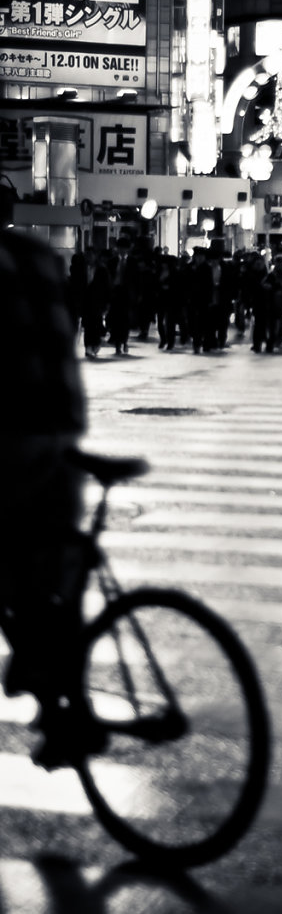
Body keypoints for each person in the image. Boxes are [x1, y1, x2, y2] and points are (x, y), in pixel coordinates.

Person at [0, 226, 101, 768]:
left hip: (13, 440)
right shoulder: (38, 256)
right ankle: (69, 706)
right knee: (57, 583)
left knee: (18, 572)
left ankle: (32, 666)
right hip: (62, 433)